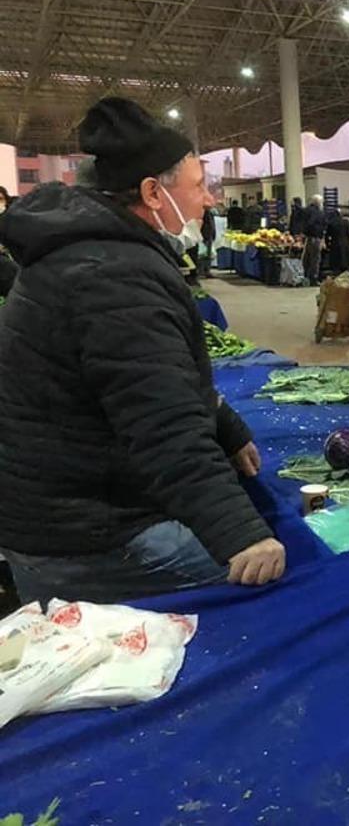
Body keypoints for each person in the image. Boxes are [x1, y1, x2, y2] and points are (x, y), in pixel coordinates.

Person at [0, 97, 285, 603]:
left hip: (58, 509)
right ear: (154, 192)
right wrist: (242, 535)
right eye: (199, 186)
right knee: (270, 589)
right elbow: (162, 427)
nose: (210, 201)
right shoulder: (113, 277)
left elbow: (145, 378)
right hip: (86, 536)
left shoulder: (92, 250)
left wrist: (226, 427)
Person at [301, 194, 325, 286]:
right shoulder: (317, 212)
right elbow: (313, 223)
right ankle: (314, 279)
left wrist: (305, 232)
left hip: (308, 238)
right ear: (318, 203)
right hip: (315, 237)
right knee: (315, 259)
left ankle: (305, 277)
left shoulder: (307, 210)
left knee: (306, 258)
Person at [324, 205, 349, 274]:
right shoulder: (346, 222)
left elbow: (327, 235)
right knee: (345, 266)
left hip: (335, 245)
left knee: (336, 268)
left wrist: (327, 244)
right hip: (346, 245)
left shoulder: (331, 223)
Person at [196, 204, 216, 278]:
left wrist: (213, 235)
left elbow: (212, 225)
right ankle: (201, 271)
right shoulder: (202, 212)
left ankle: (207, 271)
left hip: (209, 236)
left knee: (208, 254)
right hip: (204, 236)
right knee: (202, 255)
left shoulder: (209, 213)